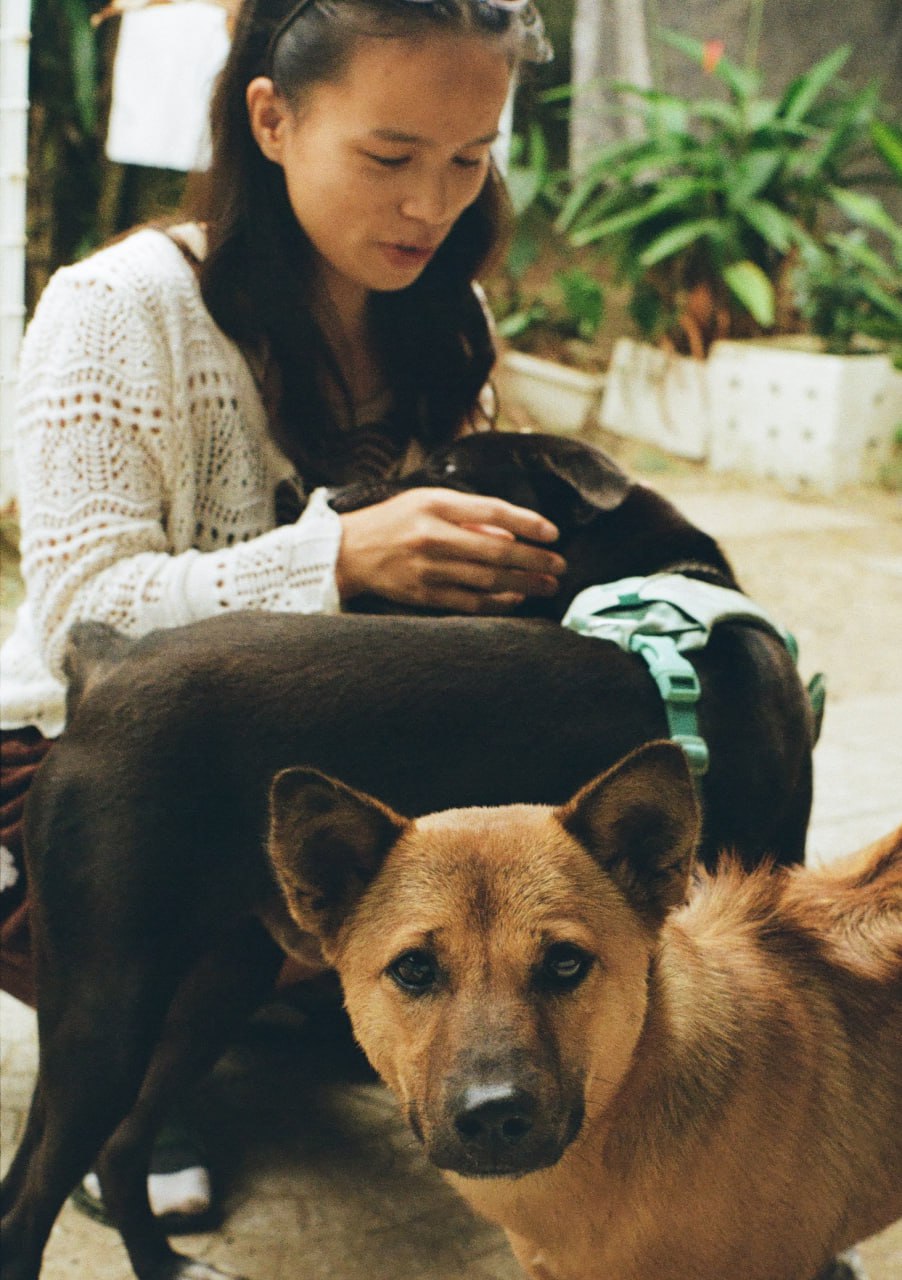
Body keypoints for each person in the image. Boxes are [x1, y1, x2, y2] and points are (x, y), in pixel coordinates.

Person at [0, 0, 557, 1232]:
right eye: (390, 156)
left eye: (469, 159)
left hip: (313, 766)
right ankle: (134, 1093)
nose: (432, 205)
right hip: (80, 777)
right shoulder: (120, 307)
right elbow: (81, 622)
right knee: (189, 883)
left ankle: (296, 994)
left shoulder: (445, 323)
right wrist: (338, 559)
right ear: (272, 116)